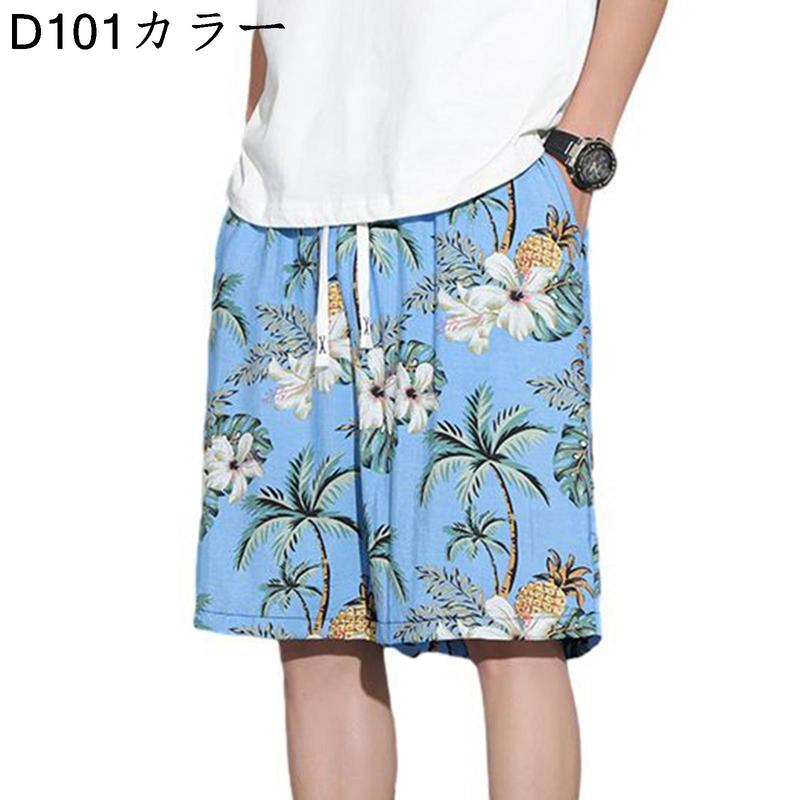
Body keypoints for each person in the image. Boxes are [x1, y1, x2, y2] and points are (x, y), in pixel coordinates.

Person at [195, 2, 667, 797]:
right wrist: (268, 132)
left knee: (514, 623)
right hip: (284, 217)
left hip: (488, 191)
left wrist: (580, 150)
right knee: (317, 629)